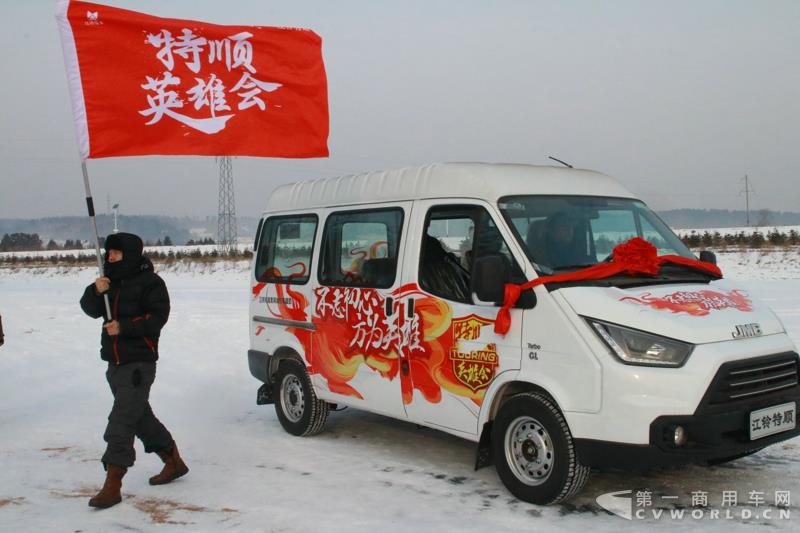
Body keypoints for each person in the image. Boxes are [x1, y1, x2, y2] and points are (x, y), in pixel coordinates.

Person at [80, 233, 188, 509]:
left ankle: (112, 485)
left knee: (121, 421)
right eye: (109, 253)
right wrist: (95, 291)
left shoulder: (151, 283)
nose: (110, 258)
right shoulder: (109, 282)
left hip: (139, 363)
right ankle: (173, 461)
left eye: (115, 253)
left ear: (129, 254)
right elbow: (89, 309)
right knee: (139, 417)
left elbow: (157, 318)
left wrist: (124, 327)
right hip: (115, 363)